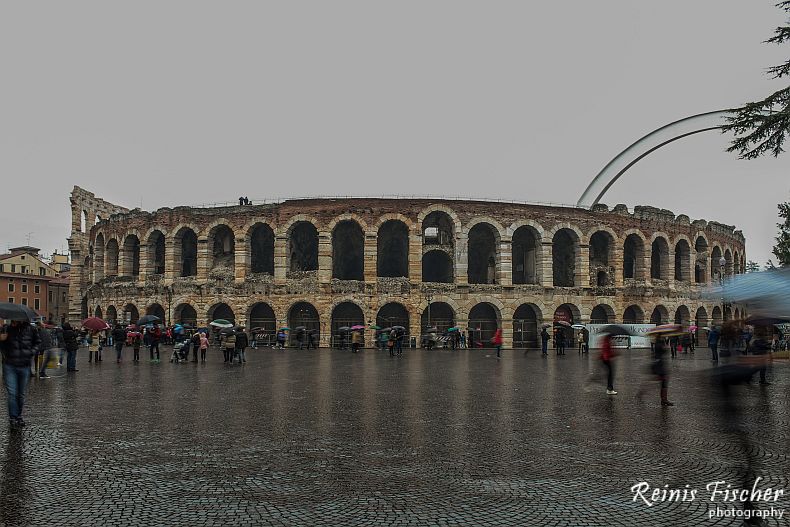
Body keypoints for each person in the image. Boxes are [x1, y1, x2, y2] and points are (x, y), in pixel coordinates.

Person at [1, 319, 41, 426]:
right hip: (10, 365)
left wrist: (31, 352)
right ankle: (13, 417)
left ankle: (19, 416)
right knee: (12, 394)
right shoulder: (6, 329)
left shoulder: (32, 329)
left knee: (21, 394)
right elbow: (2, 348)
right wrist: (2, 340)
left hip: (25, 365)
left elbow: (38, 343)